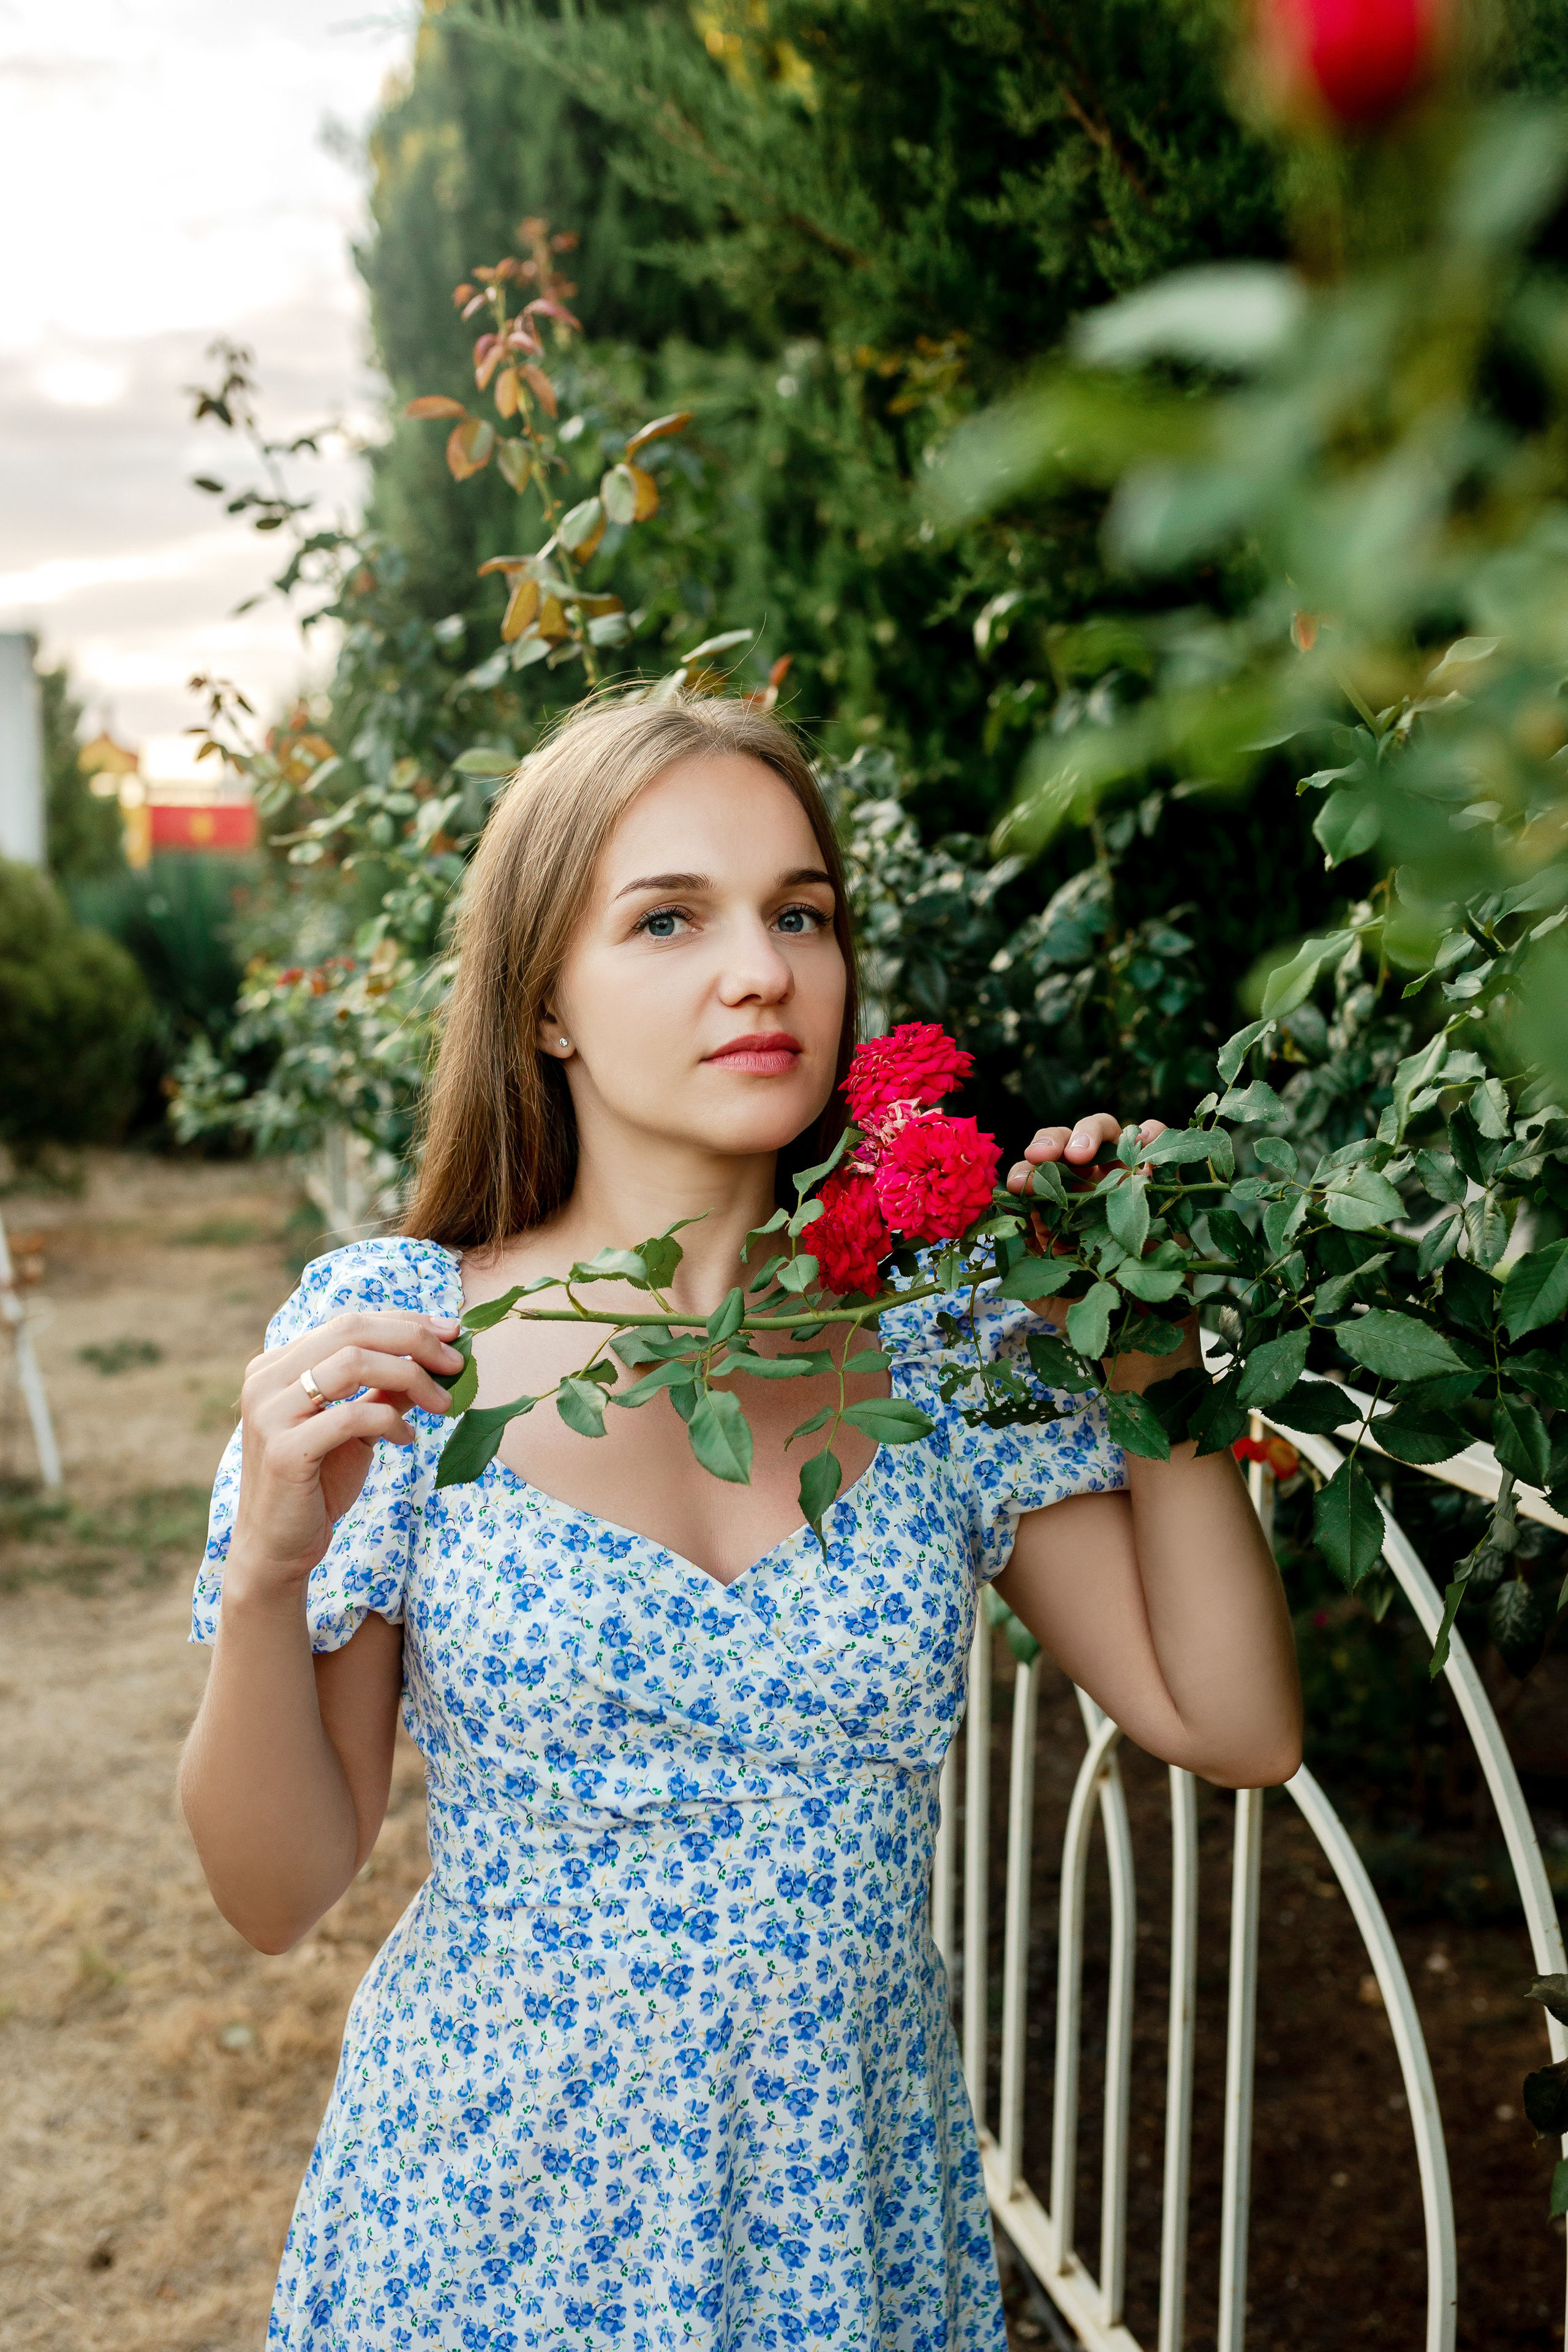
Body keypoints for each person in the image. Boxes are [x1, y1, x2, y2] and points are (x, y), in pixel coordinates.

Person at [181, 694, 1302, 2352]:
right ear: (545, 1005)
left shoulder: (940, 1344)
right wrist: (274, 1571)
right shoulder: (410, 1341)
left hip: (839, 2232)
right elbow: (277, 1893)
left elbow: (1233, 1723)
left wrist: (1155, 1357)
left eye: (800, 914)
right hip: (481, 2231)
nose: (763, 969)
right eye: (667, 919)